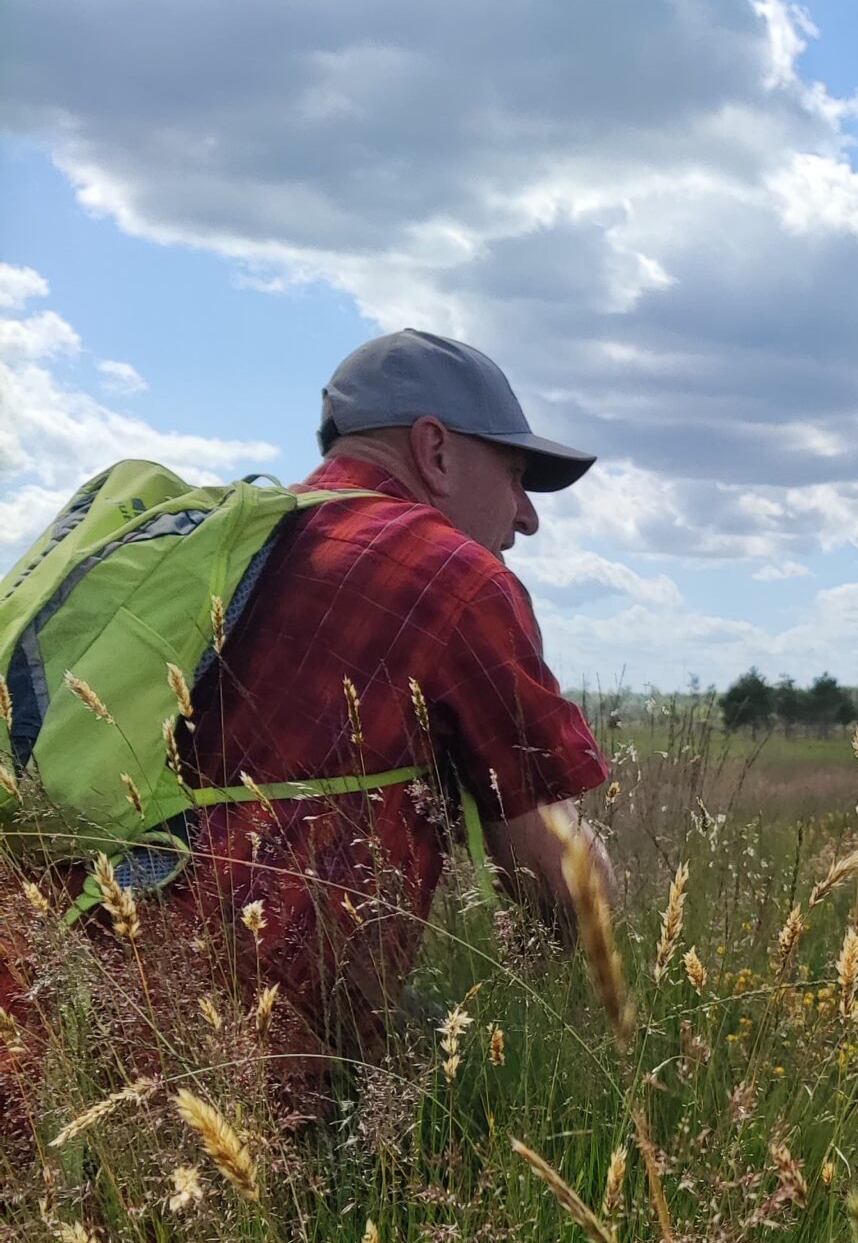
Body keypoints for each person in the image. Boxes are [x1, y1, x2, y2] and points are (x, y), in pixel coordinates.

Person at [4, 329, 615, 1134]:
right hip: (221, 1077)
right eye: (515, 474)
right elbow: (556, 877)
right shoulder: (447, 575)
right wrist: (606, 983)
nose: (528, 517)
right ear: (434, 449)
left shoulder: (234, 551)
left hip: (47, 1008)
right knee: (465, 1114)